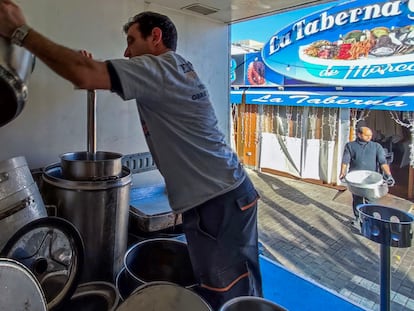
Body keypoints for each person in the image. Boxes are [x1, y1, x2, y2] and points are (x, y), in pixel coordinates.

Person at [0, 2, 262, 309]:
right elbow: (90, 76)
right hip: (221, 198)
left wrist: (20, 32)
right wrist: (86, 71)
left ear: (155, 37)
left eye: (131, 42)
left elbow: (86, 75)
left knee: (230, 296)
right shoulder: (172, 70)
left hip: (220, 203)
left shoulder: (161, 68)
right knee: (225, 289)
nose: (126, 53)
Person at [339, 126, 395, 224]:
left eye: (371, 135)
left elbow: (383, 162)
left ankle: (370, 220)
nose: (370, 137)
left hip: (371, 179)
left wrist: (388, 174)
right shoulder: (350, 146)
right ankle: (358, 219)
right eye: (367, 135)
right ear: (359, 134)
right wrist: (342, 172)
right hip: (355, 179)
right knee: (357, 199)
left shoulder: (376, 146)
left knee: (371, 200)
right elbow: (345, 160)